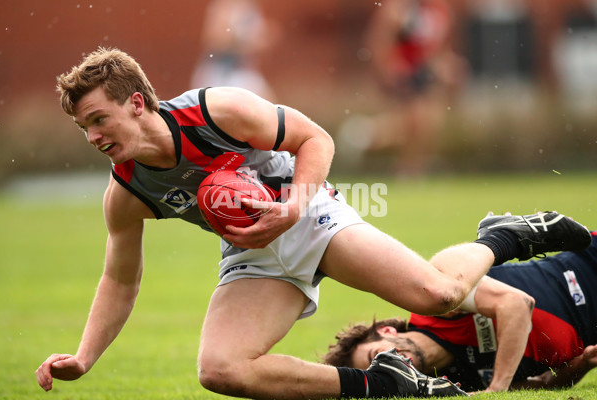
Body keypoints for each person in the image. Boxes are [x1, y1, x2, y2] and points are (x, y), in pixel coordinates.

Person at [34, 47, 590, 399]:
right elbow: (120, 280)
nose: (93, 138)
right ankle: (385, 383)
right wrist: (85, 356)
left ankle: (509, 233)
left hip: (308, 213)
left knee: (441, 294)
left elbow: (314, 137)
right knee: (220, 370)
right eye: (84, 128)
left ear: (136, 102)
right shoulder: (127, 191)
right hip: (252, 253)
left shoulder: (215, 110)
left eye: (98, 119)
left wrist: (296, 205)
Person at [324, 231, 597, 393]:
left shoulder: (435, 309)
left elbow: (516, 305)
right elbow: (542, 386)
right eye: (380, 371)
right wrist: (582, 363)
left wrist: (496, 389)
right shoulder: (455, 384)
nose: (391, 365)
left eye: (379, 356)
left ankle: (502, 234)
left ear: (386, 331)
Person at [361, 0, 468, 177]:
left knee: (427, 125)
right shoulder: (399, 8)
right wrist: (389, 67)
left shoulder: (440, 11)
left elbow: (437, 49)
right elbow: (379, 41)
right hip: (404, 72)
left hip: (424, 72)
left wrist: (448, 65)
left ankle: (375, 139)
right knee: (418, 121)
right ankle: (405, 167)